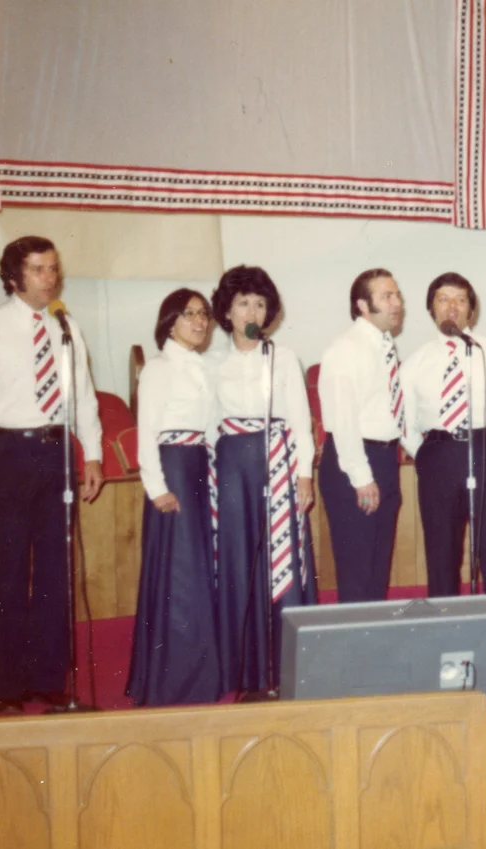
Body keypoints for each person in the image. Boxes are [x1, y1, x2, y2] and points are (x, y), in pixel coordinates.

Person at [0, 236, 104, 713]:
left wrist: (93, 454)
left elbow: (83, 395)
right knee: (11, 573)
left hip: (55, 453)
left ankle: (49, 679)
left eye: (53, 268)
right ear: (14, 277)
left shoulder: (66, 327)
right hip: (9, 454)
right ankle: (10, 687)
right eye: (38, 269)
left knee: (56, 571)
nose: (49, 277)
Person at [210, 265, 316, 696]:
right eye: (243, 303)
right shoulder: (212, 364)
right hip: (232, 463)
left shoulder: (283, 357)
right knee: (239, 560)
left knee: (282, 559)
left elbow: (301, 422)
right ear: (227, 311)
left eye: (259, 303)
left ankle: (286, 669)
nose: (252, 311)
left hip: (278, 459)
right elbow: (208, 426)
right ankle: (246, 673)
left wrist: (304, 475)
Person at [398, 273, 486, 599]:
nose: (452, 306)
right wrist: (427, 454)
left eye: (460, 299)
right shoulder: (415, 362)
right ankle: (445, 624)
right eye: (443, 299)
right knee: (441, 552)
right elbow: (403, 421)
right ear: (432, 308)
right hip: (438, 455)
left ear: (471, 309)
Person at [126, 289, 221, 705]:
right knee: (179, 573)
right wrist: (158, 488)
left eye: (204, 314)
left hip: (198, 465)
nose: (200, 322)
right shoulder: (159, 368)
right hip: (173, 470)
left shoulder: (201, 366)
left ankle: (201, 674)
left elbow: (210, 427)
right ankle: (174, 681)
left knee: (197, 567)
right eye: (189, 314)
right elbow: (147, 432)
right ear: (170, 322)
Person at [317, 268, 405, 603]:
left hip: (383, 458)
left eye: (397, 295)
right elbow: (343, 422)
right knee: (358, 571)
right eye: (387, 296)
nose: (397, 303)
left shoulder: (384, 346)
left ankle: (371, 634)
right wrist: (362, 478)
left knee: (377, 569)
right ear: (363, 305)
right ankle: (354, 638)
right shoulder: (347, 349)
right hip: (354, 463)